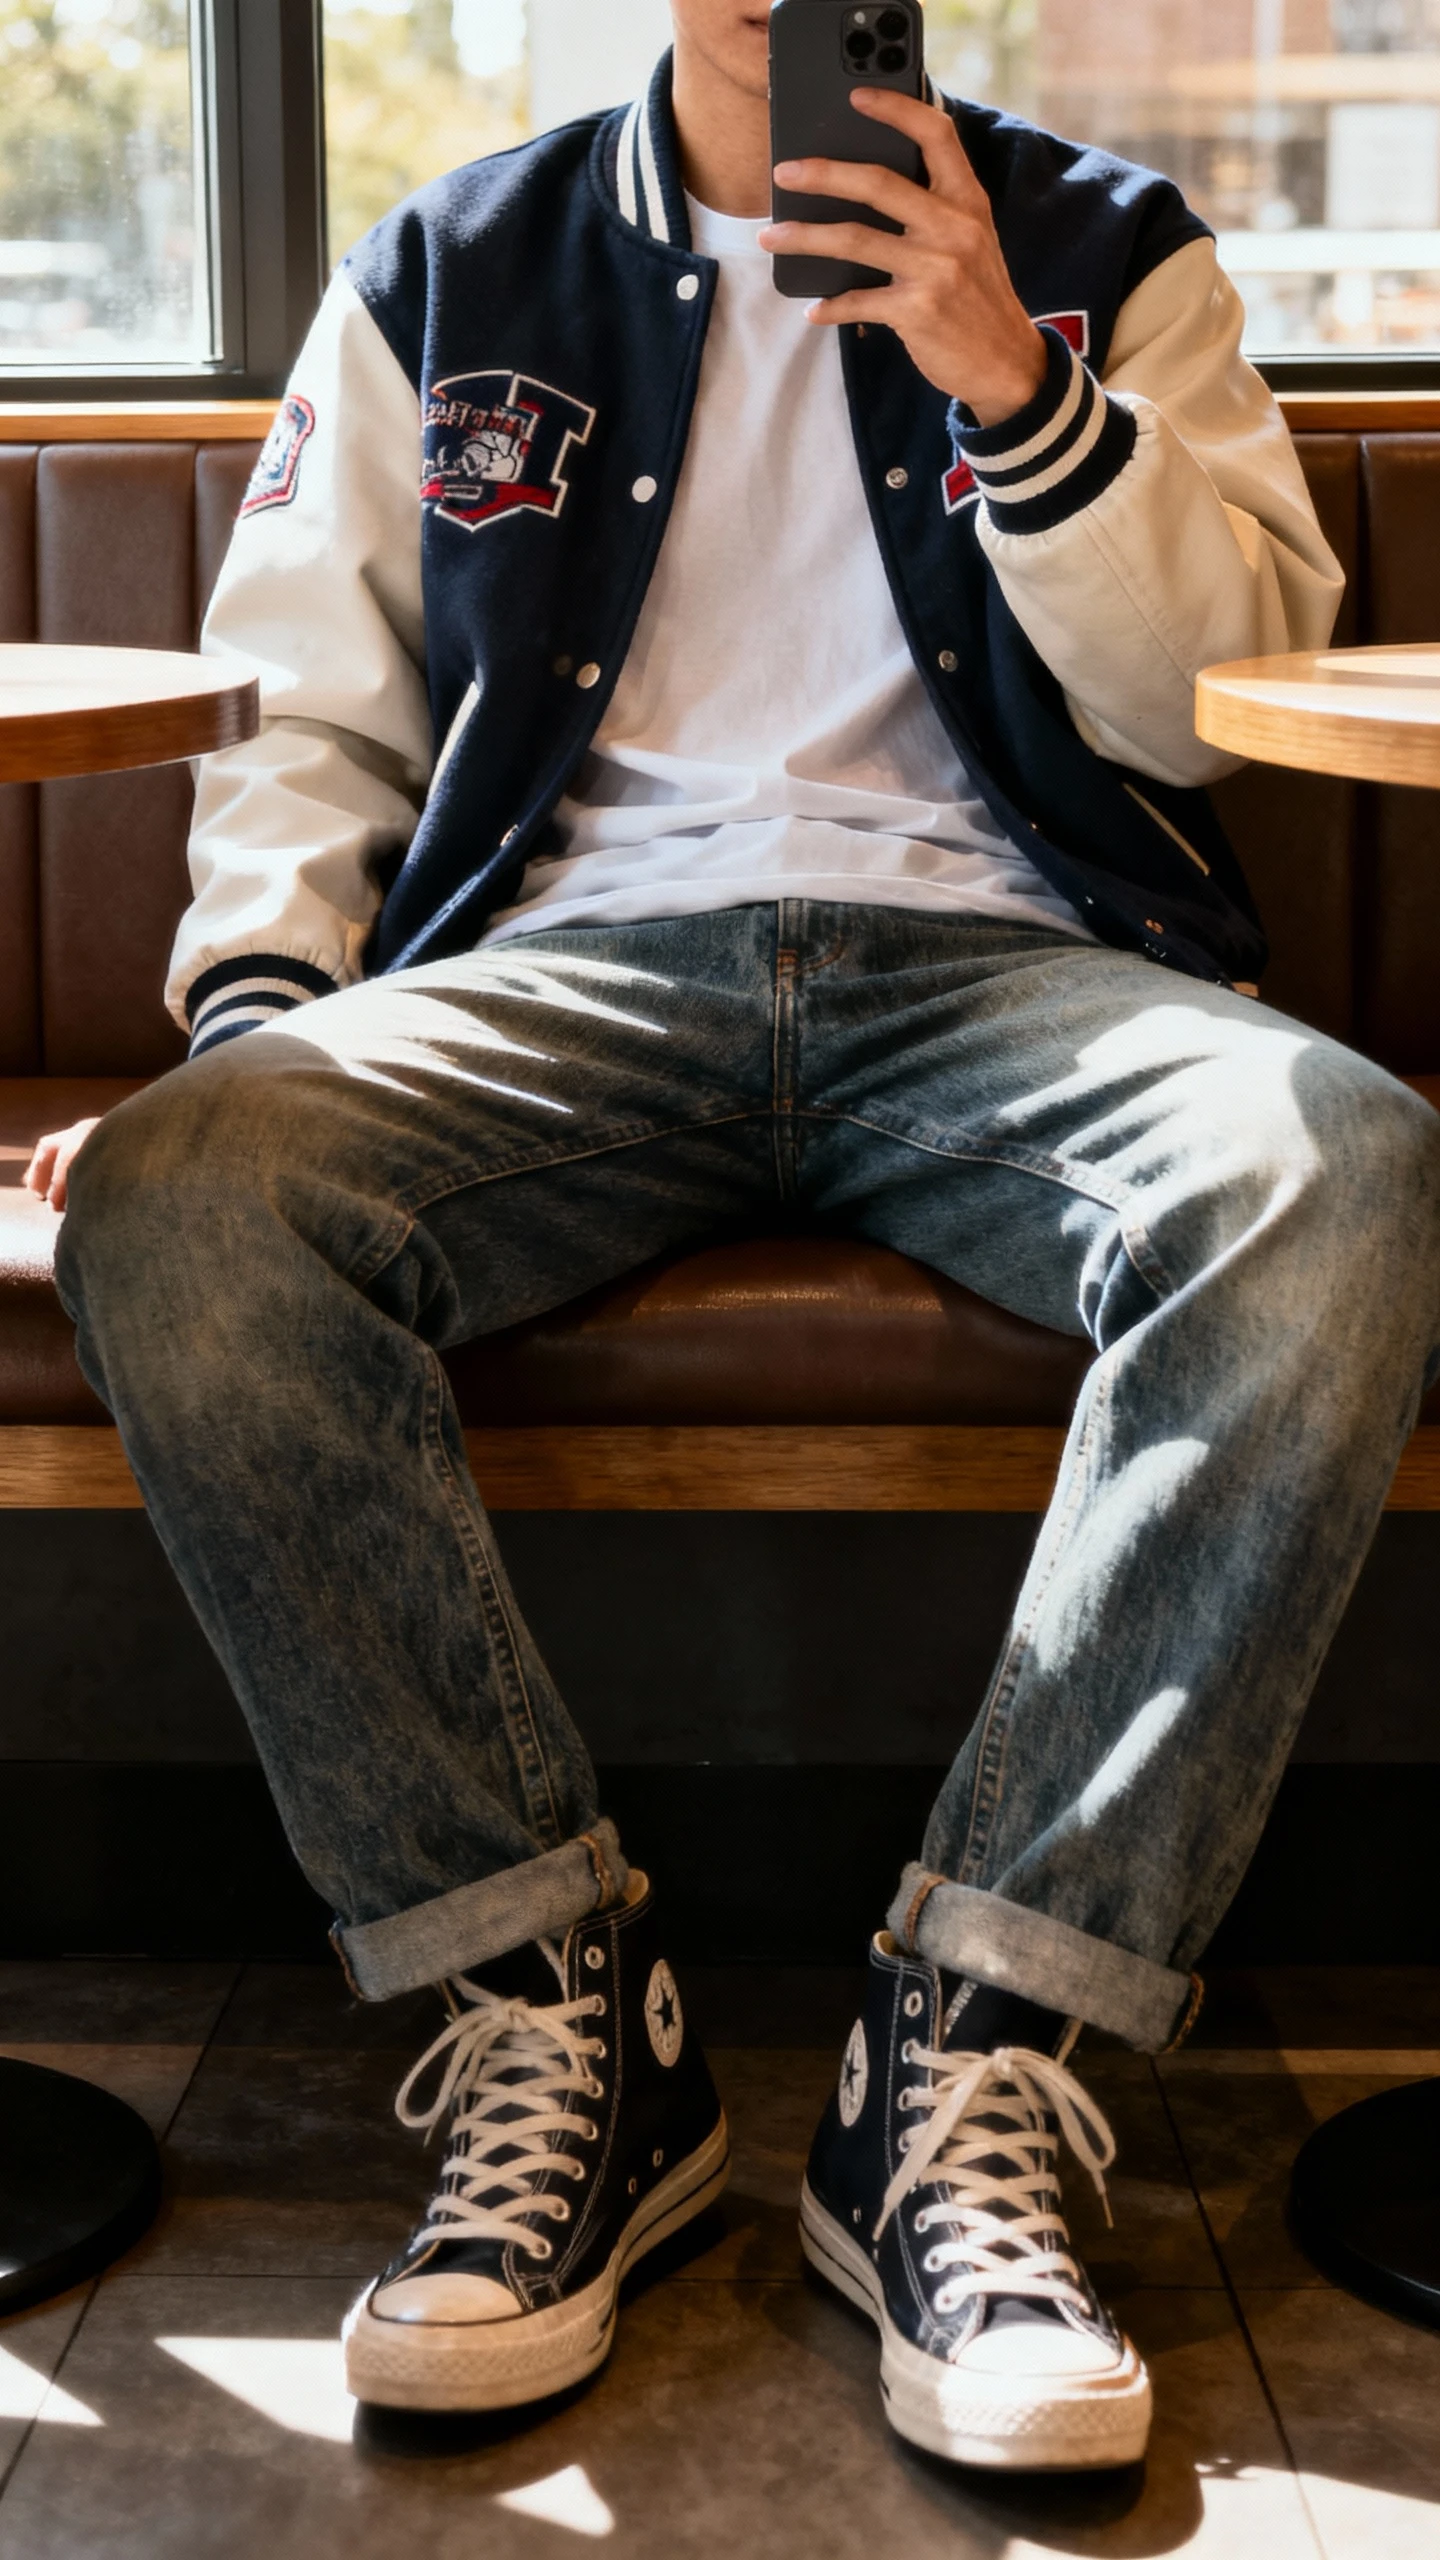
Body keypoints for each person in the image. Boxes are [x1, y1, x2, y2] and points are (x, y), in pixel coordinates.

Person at [30, 0, 1440, 2475]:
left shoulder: (1120, 256)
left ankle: (970, 2059)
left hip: (1013, 975)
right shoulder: (449, 267)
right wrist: (255, 1014)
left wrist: (1019, 384)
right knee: (180, 1192)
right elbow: (309, 723)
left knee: (1339, 1162)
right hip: (564, 978)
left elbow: (1209, 706)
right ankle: (560, 2011)